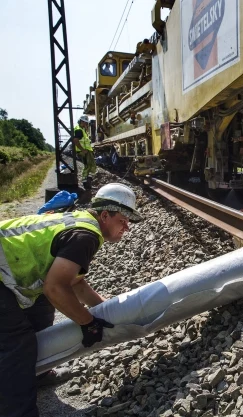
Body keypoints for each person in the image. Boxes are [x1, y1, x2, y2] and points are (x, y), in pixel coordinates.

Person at [0, 183, 142, 417]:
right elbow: (55, 288)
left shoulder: (81, 221)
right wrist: (88, 323)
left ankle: (37, 372)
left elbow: (74, 282)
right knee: (17, 342)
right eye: (123, 220)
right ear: (105, 215)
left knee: (41, 308)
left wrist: (105, 309)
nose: (127, 228)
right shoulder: (86, 236)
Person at [73, 115, 96, 189]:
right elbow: (76, 141)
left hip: (85, 151)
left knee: (88, 165)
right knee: (87, 166)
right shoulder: (79, 130)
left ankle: (86, 179)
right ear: (81, 122)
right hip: (83, 151)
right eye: (85, 123)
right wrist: (83, 150)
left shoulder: (82, 129)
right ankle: (85, 181)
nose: (86, 124)